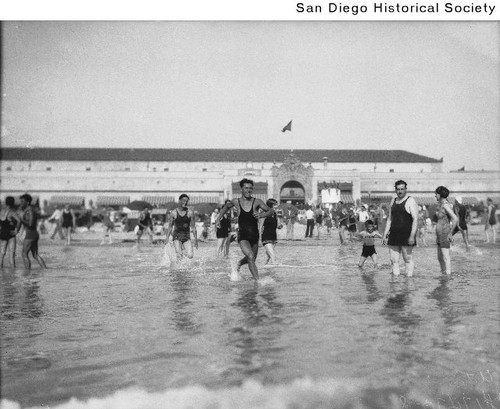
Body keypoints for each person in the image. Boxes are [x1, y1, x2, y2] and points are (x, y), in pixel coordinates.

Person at [215, 178, 272, 281]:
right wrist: (218, 218)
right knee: (250, 256)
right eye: (246, 188)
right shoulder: (236, 202)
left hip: (255, 235)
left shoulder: (257, 202)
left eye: (250, 188)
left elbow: (270, 211)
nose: (248, 190)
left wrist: (261, 214)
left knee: (252, 259)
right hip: (243, 236)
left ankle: (239, 264)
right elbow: (226, 207)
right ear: (241, 189)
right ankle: (257, 282)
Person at [383, 180, 419, 277]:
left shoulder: (410, 200)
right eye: (398, 189)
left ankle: (409, 282)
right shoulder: (393, 201)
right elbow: (389, 219)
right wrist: (385, 234)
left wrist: (412, 236)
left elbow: (415, 219)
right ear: (395, 189)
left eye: (402, 189)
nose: (400, 191)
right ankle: (396, 284)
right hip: (394, 234)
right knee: (394, 260)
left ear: (406, 189)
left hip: (406, 235)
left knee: (407, 259)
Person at [434, 186, 459, 275]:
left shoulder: (445, 205)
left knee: (445, 256)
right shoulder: (442, 205)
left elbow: (455, 218)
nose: (435, 195)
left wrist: (451, 233)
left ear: (440, 194)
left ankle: (447, 275)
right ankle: (443, 273)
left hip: (445, 233)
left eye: (436, 194)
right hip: (440, 234)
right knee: (440, 257)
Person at [165, 194, 198, 260]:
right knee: (179, 255)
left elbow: (193, 227)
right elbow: (170, 226)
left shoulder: (190, 213)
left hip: (187, 237)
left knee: (190, 255)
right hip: (176, 237)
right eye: (183, 200)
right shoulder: (174, 213)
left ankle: (183, 260)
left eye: (187, 201)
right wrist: (167, 238)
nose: (185, 202)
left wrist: (196, 240)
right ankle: (178, 269)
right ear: (179, 201)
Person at [19, 193, 47, 270]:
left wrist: (21, 219)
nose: (20, 203)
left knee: (24, 254)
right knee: (35, 255)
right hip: (33, 234)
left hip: (30, 234)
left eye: (22, 201)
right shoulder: (28, 210)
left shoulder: (30, 210)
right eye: (20, 201)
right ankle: (45, 270)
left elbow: (30, 224)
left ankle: (28, 272)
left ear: (27, 202)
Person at [0, 196, 22, 267]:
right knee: (11, 255)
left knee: (2, 254)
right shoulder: (12, 212)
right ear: (13, 203)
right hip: (11, 234)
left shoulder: (1, 211)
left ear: (5, 203)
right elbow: (19, 221)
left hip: (2, 234)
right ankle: (13, 275)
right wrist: (16, 230)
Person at [261, 198, 281, 265]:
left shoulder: (275, 214)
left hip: (273, 236)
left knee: (268, 255)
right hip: (266, 236)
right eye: (275, 205)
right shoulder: (264, 213)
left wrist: (280, 226)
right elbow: (260, 226)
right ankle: (274, 264)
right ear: (271, 205)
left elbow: (278, 226)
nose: (277, 206)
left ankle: (264, 266)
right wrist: (258, 238)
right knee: (272, 256)